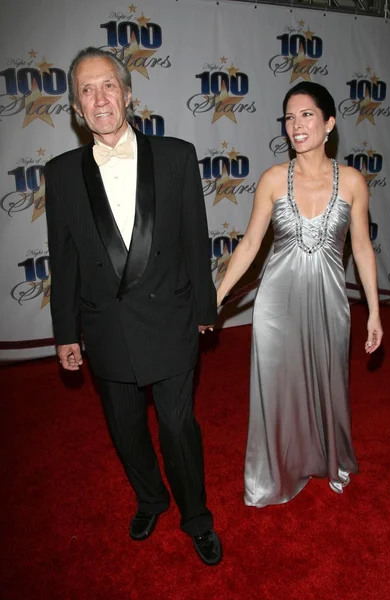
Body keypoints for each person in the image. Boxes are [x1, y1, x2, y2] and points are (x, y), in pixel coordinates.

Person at [44, 47, 222, 565]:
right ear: (77, 108)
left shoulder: (177, 156)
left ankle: (197, 517)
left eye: (107, 86)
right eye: (86, 90)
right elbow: (66, 259)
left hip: (169, 315)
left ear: (127, 92)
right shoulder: (59, 174)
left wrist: (205, 308)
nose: (99, 99)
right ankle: (151, 498)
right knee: (124, 427)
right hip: (105, 327)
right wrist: (65, 332)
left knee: (176, 425)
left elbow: (196, 238)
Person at [216, 82, 383, 506]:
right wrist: (215, 297)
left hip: (330, 300)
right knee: (276, 386)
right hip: (275, 303)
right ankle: (274, 472)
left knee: (329, 381)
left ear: (329, 123)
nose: (296, 125)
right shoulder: (273, 179)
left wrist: (376, 314)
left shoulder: (353, 182)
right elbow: (251, 245)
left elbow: (361, 247)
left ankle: (328, 458)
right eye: (289, 117)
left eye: (306, 115)